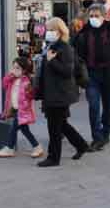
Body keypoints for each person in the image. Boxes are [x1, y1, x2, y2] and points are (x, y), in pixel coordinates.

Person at [35, 17, 91, 167]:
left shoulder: (64, 48)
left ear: (60, 31)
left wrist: (52, 61)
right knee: (61, 124)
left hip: (60, 93)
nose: (49, 32)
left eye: (52, 30)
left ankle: (54, 158)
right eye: (48, 30)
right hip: (53, 92)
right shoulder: (52, 46)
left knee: (54, 127)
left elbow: (67, 71)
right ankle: (81, 145)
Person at [74, 3, 110, 150]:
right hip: (91, 75)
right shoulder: (83, 33)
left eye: (96, 16)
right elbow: (77, 54)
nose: (93, 18)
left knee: (108, 107)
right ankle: (96, 137)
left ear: (104, 16)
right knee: (94, 105)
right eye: (91, 16)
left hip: (109, 74)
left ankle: (106, 133)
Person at [0, 57, 43, 159]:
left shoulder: (26, 81)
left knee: (13, 128)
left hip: (22, 110)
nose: (14, 70)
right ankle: (37, 147)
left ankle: (9, 148)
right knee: (24, 130)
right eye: (13, 68)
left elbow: (30, 96)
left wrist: (30, 91)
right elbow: (4, 85)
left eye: (17, 68)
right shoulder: (12, 80)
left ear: (24, 70)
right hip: (15, 109)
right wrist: (10, 76)